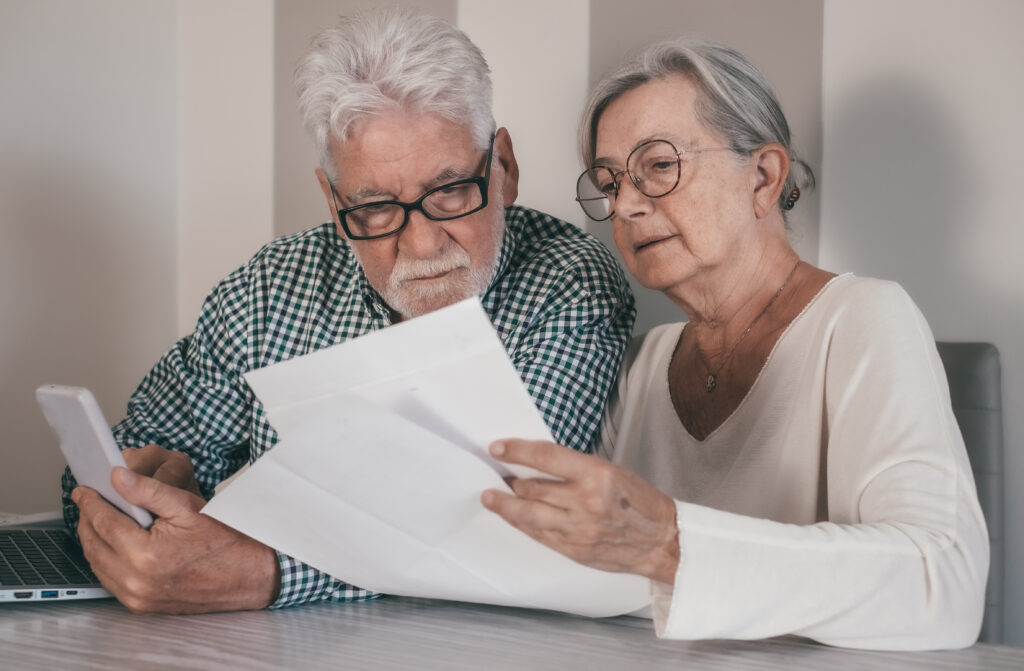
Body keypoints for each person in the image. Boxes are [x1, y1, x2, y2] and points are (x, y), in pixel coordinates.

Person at [61, 9, 635, 615]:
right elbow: (116, 457)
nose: (422, 246)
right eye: (376, 209)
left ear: (505, 168)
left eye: (450, 192)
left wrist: (267, 573)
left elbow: (502, 520)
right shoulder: (270, 288)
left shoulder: (568, 284)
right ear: (333, 203)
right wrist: (136, 494)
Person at [481, 38, 988, 650]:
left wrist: (670, 545)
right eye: (610, 182)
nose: (627, 206)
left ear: (764, 177)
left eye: (659, 166)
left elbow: (943, 585)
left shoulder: (864, 319)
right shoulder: (640, 364)